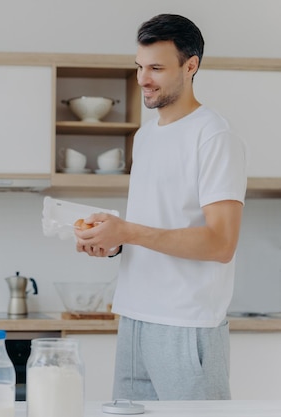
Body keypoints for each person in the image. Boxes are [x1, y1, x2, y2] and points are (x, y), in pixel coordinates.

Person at [74, 14, 247, 400]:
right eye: (139, 66)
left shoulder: (214, 136)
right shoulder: (146, 136)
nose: (142, 79)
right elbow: (155, 224)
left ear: (191, 66)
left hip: (186, 325)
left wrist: (128, 231)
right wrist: (112, 241)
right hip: (135, 317)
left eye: (156, 68)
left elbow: (221, 243)